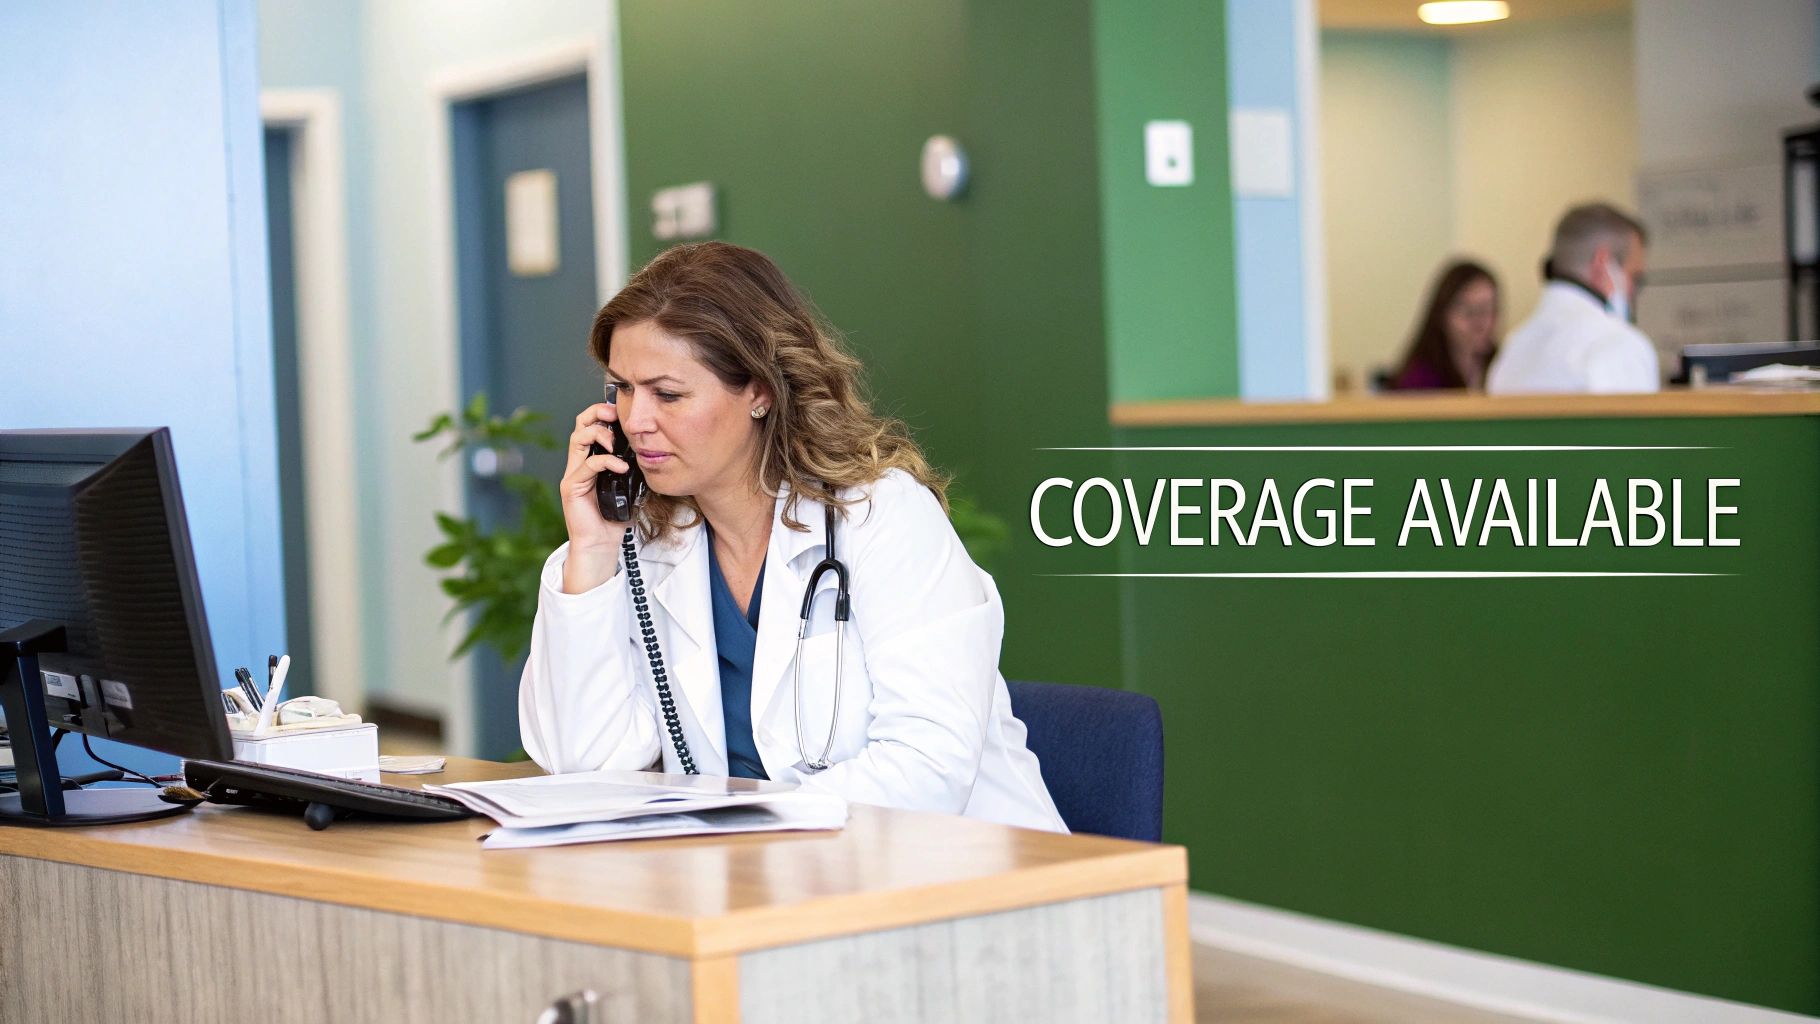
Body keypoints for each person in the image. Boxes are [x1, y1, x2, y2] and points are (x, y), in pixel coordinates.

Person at [518, 241, 1067, 833]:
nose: (635, 420)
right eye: (621, 389)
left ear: (759, 390)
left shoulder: (882, 516)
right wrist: (592, 552)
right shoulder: (644, 542)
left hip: (951, 879)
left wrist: (747, 824)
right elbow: (585, 767)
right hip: (756, 883)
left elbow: (927, 768)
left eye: (667, 394)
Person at [1486, 202, 1657, 394]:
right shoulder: (1619, 345)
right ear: (1602, 264)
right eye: (1634, 277)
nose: (1633, 291)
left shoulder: (1511, 351)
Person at [1388, 260, 1501, 390]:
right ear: (1441, 314)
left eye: (1487, 309)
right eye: (1468, 311)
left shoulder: (1505, 364)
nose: (1481, 323)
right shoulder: (1419, 378)